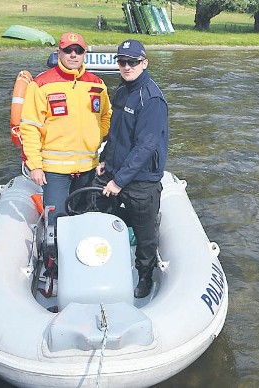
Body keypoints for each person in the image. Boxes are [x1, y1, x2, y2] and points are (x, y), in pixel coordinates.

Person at [94, 39, 169, 298]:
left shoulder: (151, 98)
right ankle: (104, 266)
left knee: (144, 233)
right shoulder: (123, 90)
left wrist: (119, 181)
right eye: (122, 62)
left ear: (144, 63)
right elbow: (116, 134)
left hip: (141, 179)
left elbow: (146, 146)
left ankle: (145, 276)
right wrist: (107, 164)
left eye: (133, 62)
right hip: (116, 173)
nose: (127, 66)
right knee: (100, 216)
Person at [20, 32, 112, 225]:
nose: (73, 54)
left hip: (88, 167)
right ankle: (53, 255)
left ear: (84, 53)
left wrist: (98, 135)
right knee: (56, 222)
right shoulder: (41, 84)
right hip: (55, 171)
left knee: (84, 218)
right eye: (68, 50)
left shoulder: (97, 84)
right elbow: (30, 127)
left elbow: (107, 115)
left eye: (78, 50)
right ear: (59, 52)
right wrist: (35, 166)